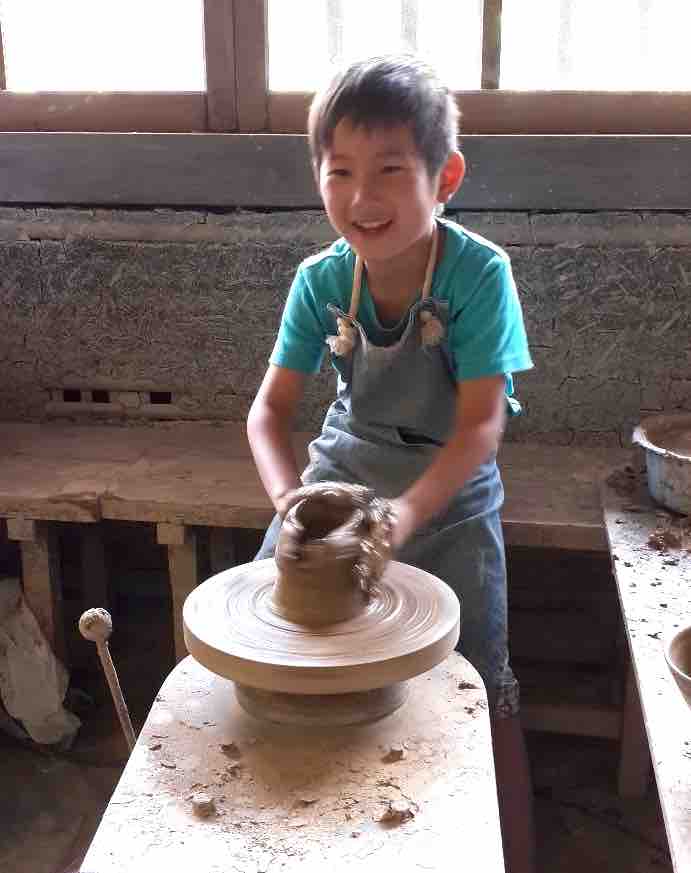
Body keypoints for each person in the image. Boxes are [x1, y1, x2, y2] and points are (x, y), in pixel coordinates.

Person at [247, 54, 535, 873]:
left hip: (449, 488)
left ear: (444, 176)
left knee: (475, 676)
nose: (361, 199)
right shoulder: (319, 280)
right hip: (338, 475)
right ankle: (307, 835)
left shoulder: (478, 274)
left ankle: (505, 843)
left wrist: (403, 517)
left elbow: (480, 427)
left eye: (388, 171)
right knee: (274, 648)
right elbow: (268, 413)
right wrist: (289, 502)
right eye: (339, 172)